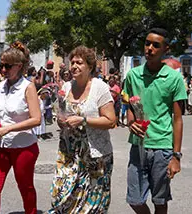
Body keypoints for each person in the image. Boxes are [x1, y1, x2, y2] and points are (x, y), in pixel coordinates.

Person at [122, 28, 187, 214]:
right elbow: (129, 106)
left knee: (160, 200)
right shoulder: (133, 75)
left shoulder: (174, 78)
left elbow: (178, 119)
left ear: (165, 49)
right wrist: (130, 122)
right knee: (134, 199)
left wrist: (176, 156)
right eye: (147, 43)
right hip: (138, 146)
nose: (149, 48)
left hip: (162, 147)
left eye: (156, 45)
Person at [48, 46, 116, 213]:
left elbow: (111, 121)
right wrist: (61, 121)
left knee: (91, 205)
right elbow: (61, 116)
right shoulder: (66, 88)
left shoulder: (99, 87)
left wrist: (83, 120)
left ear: (90, 66)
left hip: (95, 154)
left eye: (79, 62)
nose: (74, 66)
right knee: (62, 197)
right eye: (72, 62)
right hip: (69, 152)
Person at [0, 41, 41, 214]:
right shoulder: (1, 85)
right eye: (0, 65)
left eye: (7, 66)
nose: (3, 70)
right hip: (0, 145)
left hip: (23, 147)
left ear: (19, 66)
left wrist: (8, 129)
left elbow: (36, 119)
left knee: (25, 188)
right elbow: (0, 112)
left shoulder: (28, 87)